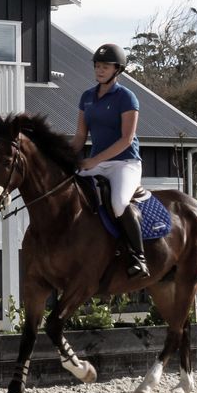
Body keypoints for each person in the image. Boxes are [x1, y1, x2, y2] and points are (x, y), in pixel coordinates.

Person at [74, 42, 147, 277]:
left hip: (125, 163)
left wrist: (93, 161)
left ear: (118, 69)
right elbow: (79, 137)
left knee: (118, 203)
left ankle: (139, 256)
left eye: (105, 66)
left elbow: (126, 140)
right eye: (97, 65)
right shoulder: (86, 96)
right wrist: (64, 159)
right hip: (98, 162)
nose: (99, 70)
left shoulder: (127, 97)